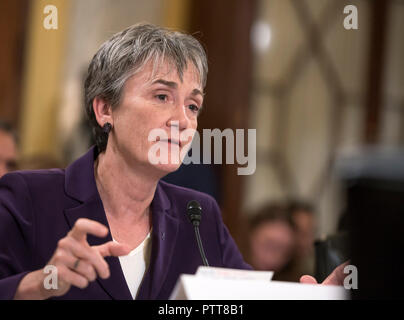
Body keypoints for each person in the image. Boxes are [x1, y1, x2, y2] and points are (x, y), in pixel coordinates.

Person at [0, 23, 345, 300]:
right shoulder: (27, 196)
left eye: (192, 105)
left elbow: (243, 300)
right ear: (105, 109)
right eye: (162, 96)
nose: (182, 120)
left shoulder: (199, 214)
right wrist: (41, 283)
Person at [248, 204, 297, 280]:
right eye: (268, 244)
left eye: (281, 249)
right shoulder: (227, 269)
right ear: (251, 235)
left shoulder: (296, 282)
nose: (271, 259)